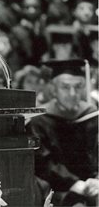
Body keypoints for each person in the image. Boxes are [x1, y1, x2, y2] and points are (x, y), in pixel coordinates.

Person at [26, 59, 98, 206]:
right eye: (65, 87)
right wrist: (73, 183)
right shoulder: (39, 120)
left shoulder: (92, 116)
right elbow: (42, 163)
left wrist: (97, 180)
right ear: (53, 89)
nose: (72, 93)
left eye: (78, 87)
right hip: (56, 190)